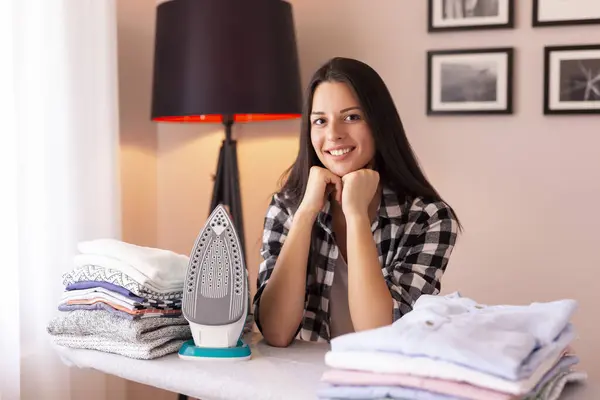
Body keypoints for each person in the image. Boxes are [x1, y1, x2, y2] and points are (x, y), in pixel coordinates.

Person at [252, 57, 461, 347]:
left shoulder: (428, 218)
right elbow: (274, 332)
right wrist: (305, 213)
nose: (333, 134)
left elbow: (379, 335)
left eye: (351, 117)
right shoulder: (287, 206)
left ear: (378, 124)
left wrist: (356, 216)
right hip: (300, 381)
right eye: (320, 121)